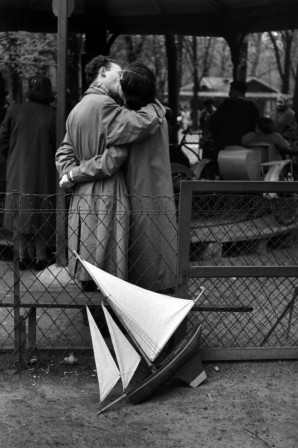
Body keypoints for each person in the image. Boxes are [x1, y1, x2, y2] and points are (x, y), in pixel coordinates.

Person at [59, 62, 177, 293]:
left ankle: (96, 318)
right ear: (103, 71)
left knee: (90, 261)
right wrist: (158, 107)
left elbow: (64, 151)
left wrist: (70, 173)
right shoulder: (115, 110)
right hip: (113, 195)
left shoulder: (77, 110)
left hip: (83, 197)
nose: (120, 77)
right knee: (112, 262)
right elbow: (116, 155)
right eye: (119, 71)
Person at [0, 76, 56, 270]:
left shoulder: (15, 111)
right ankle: (41, 256)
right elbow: (58, 145)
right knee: (41, 210)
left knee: (18, 211)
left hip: (17, 169)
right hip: (43, 171)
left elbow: (3, 139)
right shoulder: (53, 114)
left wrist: (12, 158)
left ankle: (22, 256)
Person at [210, 80, 259, 154]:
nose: (229, 93)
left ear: (236, 91)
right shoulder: (252, 108)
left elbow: (214, 123)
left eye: (231, 90)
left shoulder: (226, 105)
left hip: (226, 147)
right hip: (247, 147)